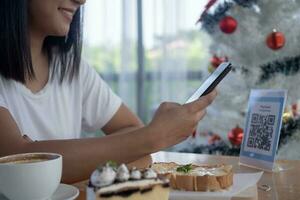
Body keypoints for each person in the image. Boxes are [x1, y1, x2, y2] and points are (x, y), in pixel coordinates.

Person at [0, 0, 217, 183]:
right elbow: (17, 163)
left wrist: (75, 164)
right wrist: (153, 136)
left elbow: (132, 132)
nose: (82, 0)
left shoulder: (70, 68)